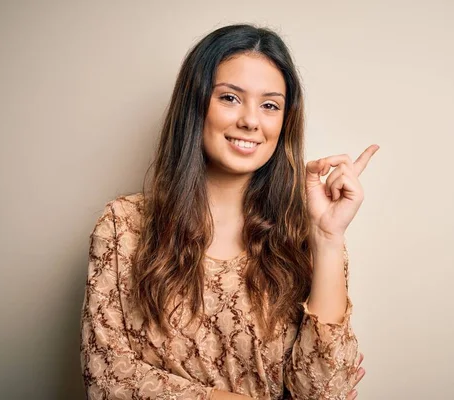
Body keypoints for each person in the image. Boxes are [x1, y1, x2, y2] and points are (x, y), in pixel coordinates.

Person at [80, 23, 378, 400]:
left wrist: (328, 238)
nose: (251, 121)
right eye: (230, 98)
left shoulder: (307, 235)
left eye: (270, 105)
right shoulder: (124, 225)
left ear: (284, 122)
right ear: (195, 104)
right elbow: (108, 382)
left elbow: (325, 390)